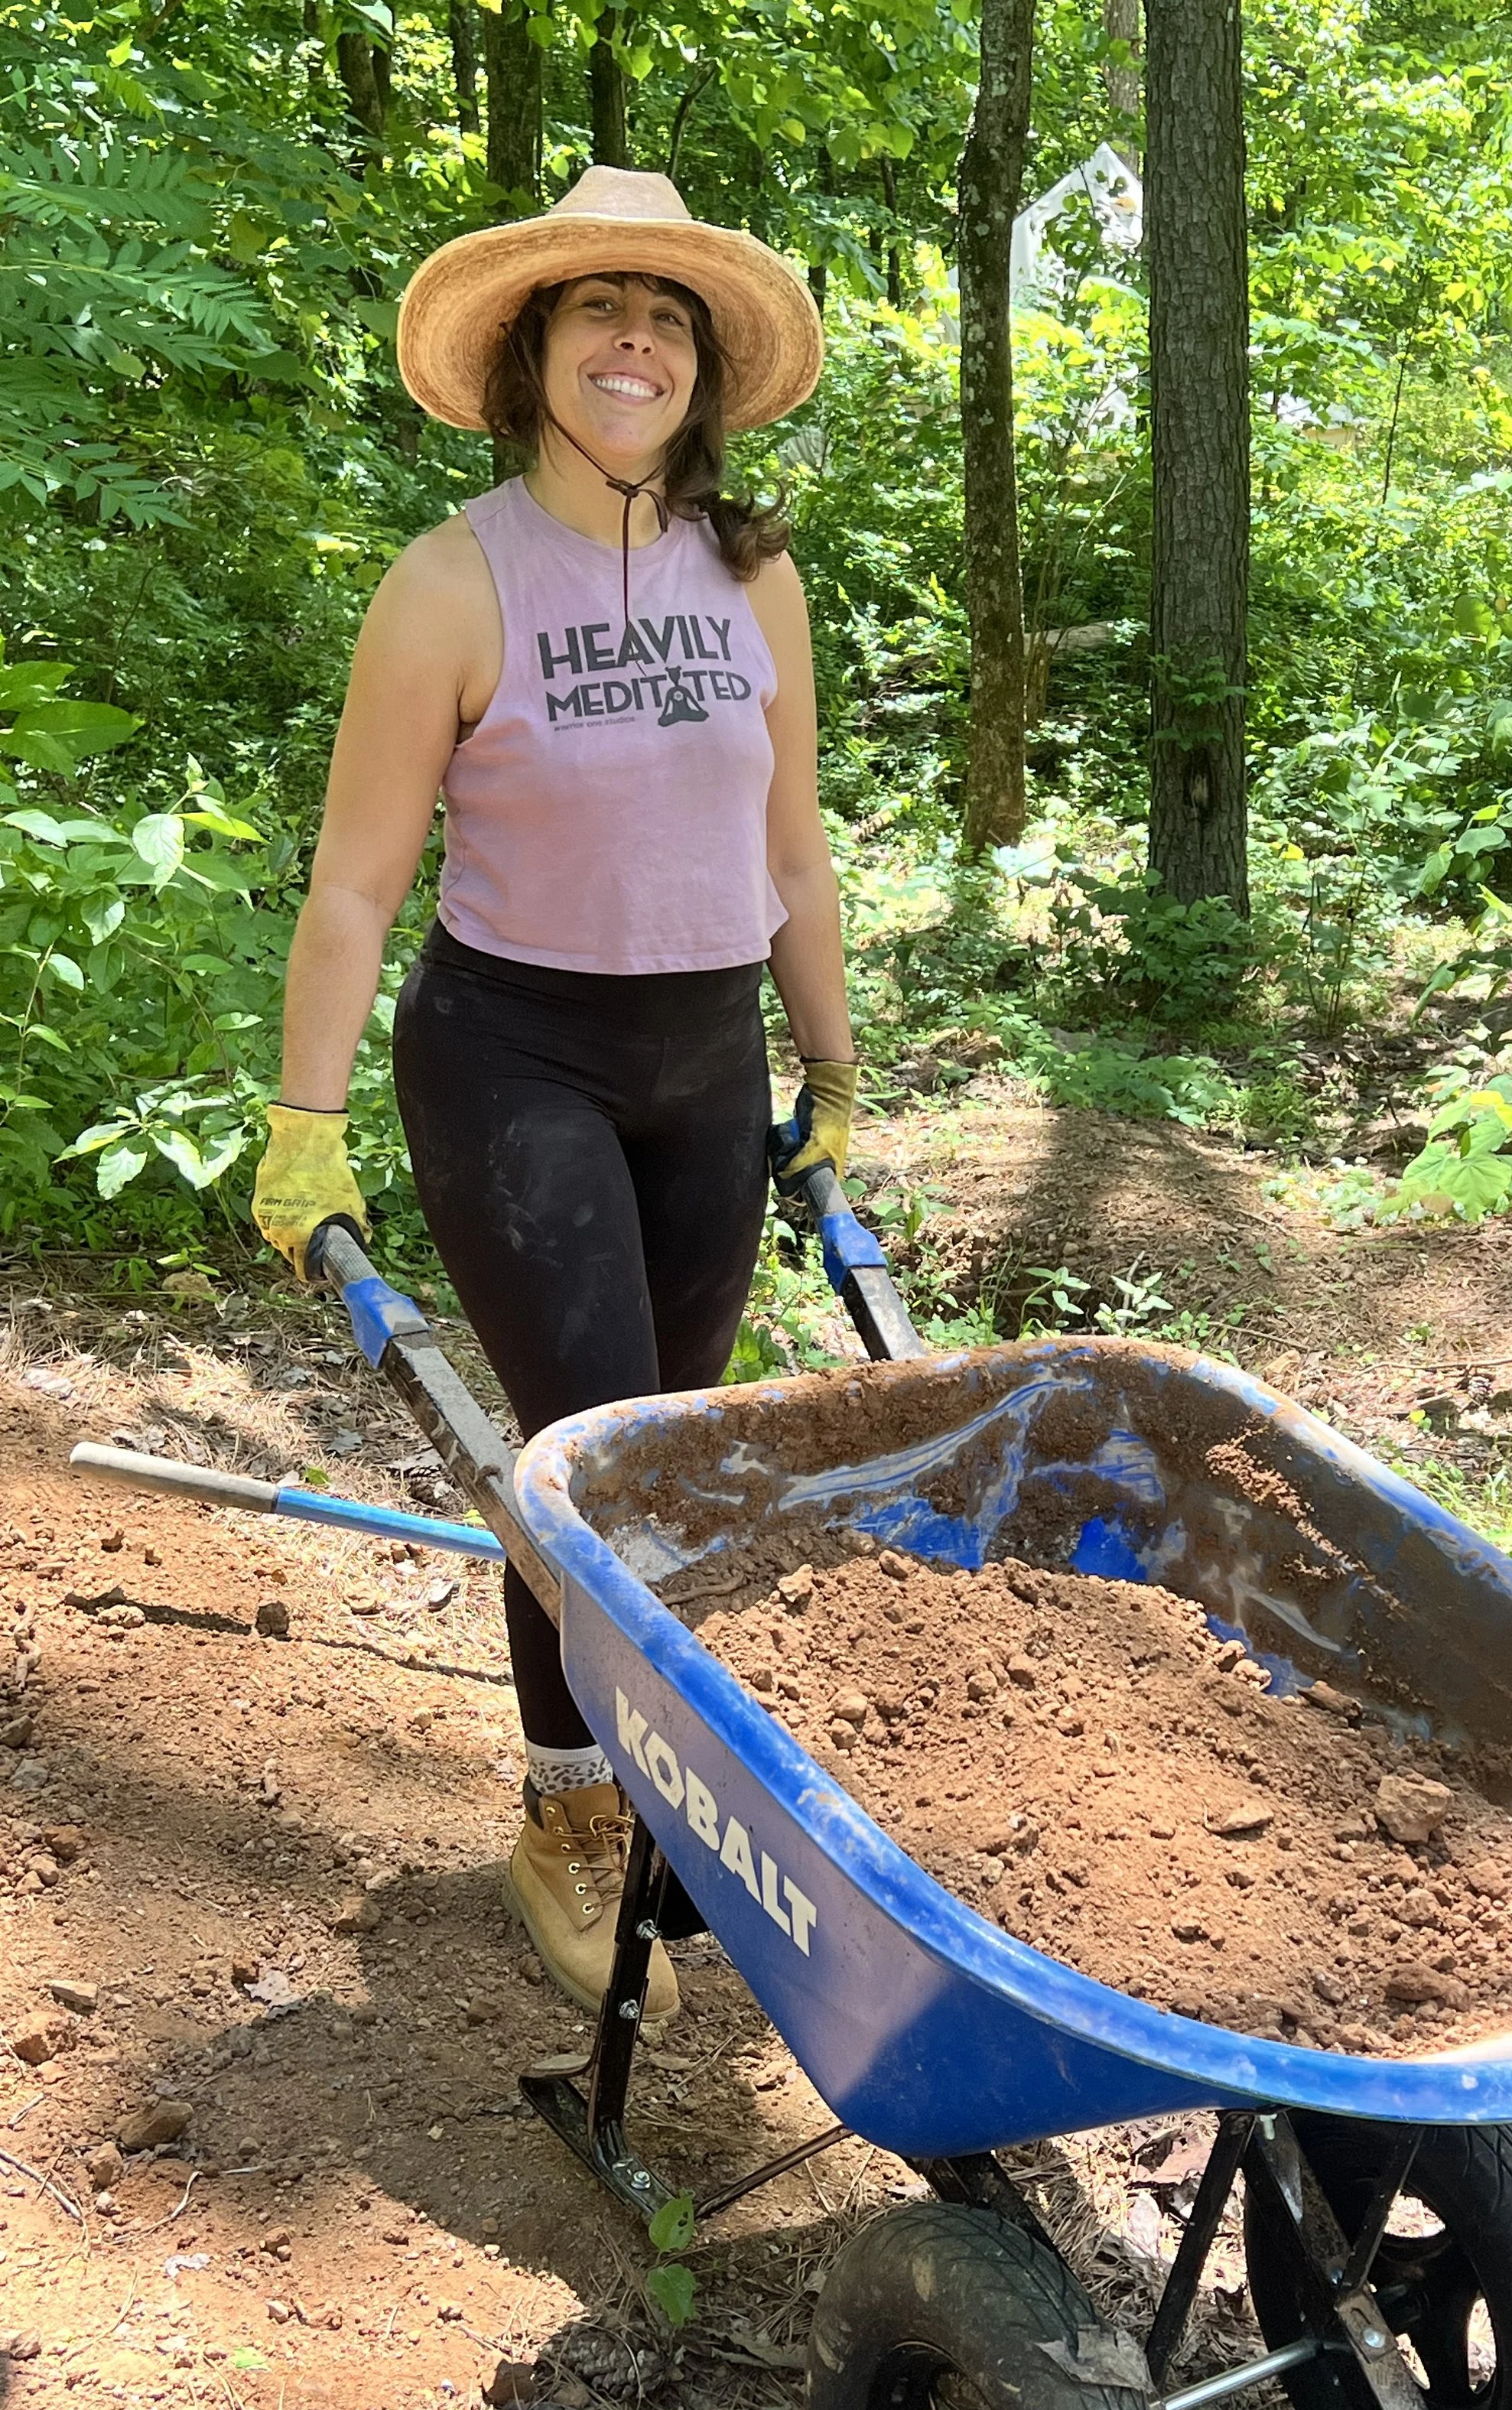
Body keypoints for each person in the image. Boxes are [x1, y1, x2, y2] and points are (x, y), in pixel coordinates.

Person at [249, 167, 858, 2021]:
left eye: (666, 318)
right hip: (513, 1057)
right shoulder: (449, 582)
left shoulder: (755, 576)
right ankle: (572, 1813)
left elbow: (796, 855)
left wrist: (831, 1070)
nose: (633, 341)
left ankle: (677, 1801)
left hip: (702, 1062)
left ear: (704, 372)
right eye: (597, 309)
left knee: (668, 1458)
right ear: (530, 358)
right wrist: (303, 1120)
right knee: (585, 1455)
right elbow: (358, 881)